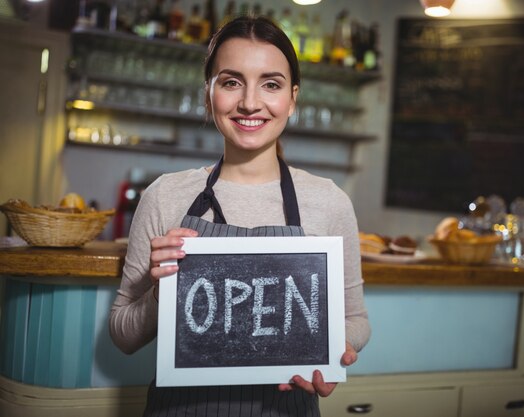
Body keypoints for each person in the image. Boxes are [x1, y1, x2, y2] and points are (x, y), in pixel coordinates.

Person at [109, 15, 370, 417]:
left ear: (293, 98)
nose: (250, 102)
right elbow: (123, 334)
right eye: (231, 82)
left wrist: (332, 350)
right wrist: (162, 293)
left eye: (271, 84)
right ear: (208, 93)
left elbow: (355, 318)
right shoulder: (165, 195)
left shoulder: (329, 201)